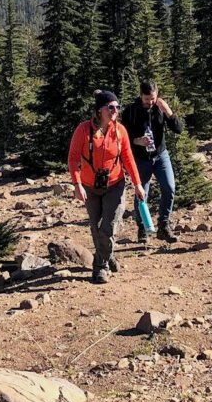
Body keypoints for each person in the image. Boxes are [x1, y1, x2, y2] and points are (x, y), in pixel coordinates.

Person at [68, 90, 146, 283]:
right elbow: (73, 159)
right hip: (89, 185)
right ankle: (108, 255)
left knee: (109, 225)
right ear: (99, 110)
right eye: (110, 107)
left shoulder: (120, 131)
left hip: (115, 183)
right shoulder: (83, 130)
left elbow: (128, 158)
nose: (115, 111)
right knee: (95, 227)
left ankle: (100, 266)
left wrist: (137, 184)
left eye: (117, 107)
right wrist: (77, 185)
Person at [120, 80, 184, 244]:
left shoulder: (160, 107)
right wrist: (136, 141)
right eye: (147, 99)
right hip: (141, 159)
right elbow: (121, 136)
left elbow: (178, 129)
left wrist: (168, 111)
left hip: (160, 155)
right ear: (141, 95)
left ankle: (164, 225)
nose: (150, 102)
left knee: (169, 187)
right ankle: (142, 228)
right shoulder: (131, 111)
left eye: (153, 98)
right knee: (142, 193)